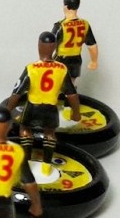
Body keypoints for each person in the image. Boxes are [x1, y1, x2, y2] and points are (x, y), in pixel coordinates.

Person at [7, 32, 81, 175]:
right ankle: (46, 166)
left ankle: (27, 161)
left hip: (33, 106)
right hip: (51, 108)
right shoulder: (62, 69)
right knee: (50, 133)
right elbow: (71, 94)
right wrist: (76, 113)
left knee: (25, 129)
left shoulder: (31, 68)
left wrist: (7, 110)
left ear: (39, 46)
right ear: (54, 46)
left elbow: (17, 93)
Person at [51, 0, 98, 85]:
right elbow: (92, 45)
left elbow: (49, 45)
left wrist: (45, 61)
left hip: (61, 60)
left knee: (57, 84)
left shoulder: (60, 26)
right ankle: (71, 93)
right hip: (76, 60)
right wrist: (94, 61)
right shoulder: (84, 24)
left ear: (66, 6)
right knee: (71, 84)